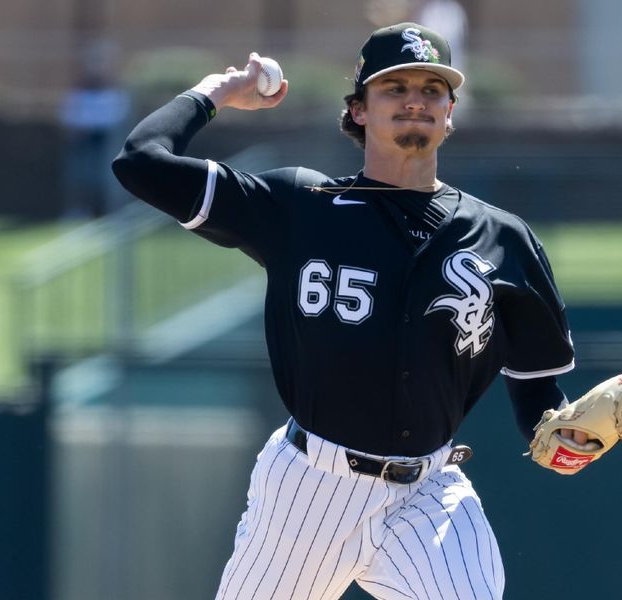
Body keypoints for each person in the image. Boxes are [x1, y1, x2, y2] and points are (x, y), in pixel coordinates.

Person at [112, 22, 586, 600]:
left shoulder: (503, 239)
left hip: (429, 495)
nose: (416, 99)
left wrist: (562, 433)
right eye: (395, 88)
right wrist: (214, 92)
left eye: (433, 90)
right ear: (359, 110)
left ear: (451, 113)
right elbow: (140, 161)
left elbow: (536, 386)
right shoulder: (298, 206)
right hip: (310, 489)